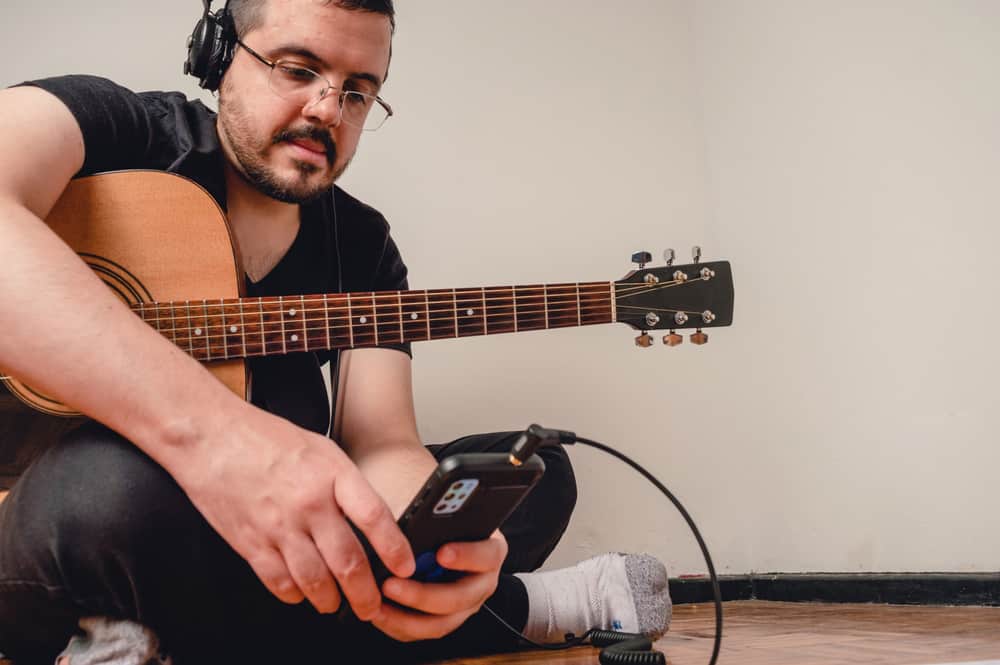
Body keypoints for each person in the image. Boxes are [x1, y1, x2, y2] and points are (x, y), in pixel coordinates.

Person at [0, 1, 671, 663]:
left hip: (243, 549)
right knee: (113, 483)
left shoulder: (359, 242)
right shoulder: (119, 130)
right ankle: (533, 610)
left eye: (357, 92)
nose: (327, 109)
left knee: (530, 473)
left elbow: (380, 443)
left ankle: (146, 637)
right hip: (48, 521)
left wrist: (438, 543)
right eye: (297, 69)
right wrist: (213, 437)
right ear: (218, 54)